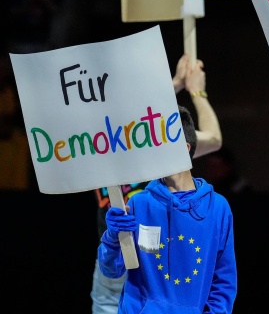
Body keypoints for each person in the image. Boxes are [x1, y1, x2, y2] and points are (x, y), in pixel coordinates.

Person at [91, 53, 223, 313]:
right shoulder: (149, 138)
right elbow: (214, 139)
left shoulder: (99, 137)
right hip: (118, 255)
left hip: (147, 262)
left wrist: (176, 84)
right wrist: (196, 92)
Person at [97, 105, 237, 313]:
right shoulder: (138, 204)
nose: (153, 149)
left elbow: (224, 282)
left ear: (184, 148)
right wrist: (112, 237)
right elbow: (111, 270)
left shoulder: (218, 208)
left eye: (160, 141)